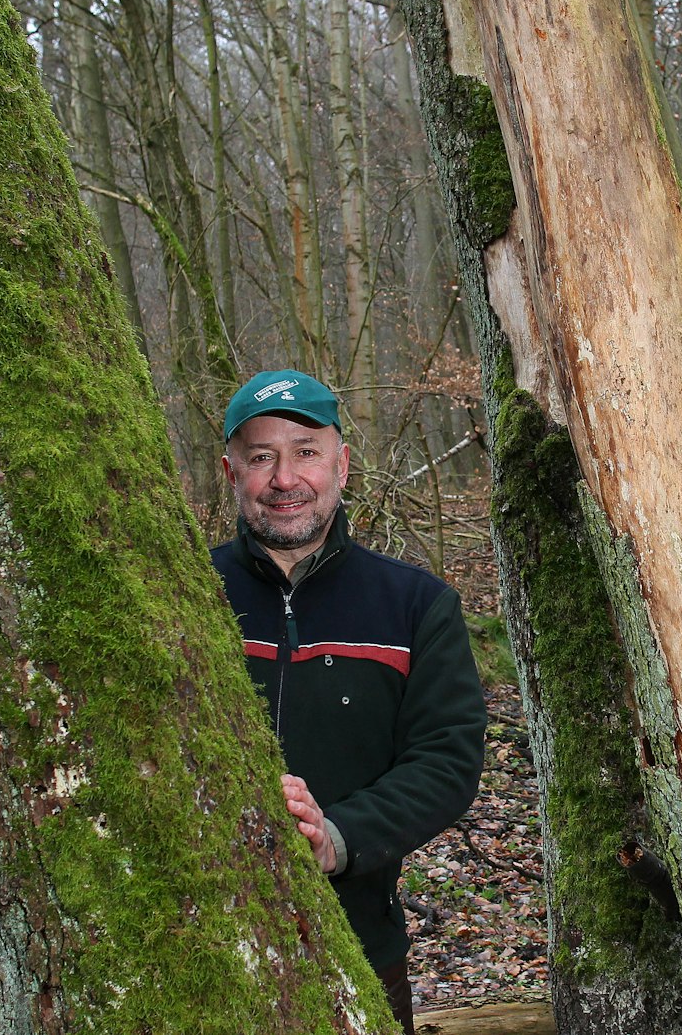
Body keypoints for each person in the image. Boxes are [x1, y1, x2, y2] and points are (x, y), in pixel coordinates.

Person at [210, 370, 485, 1034]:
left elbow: (446, 759)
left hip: (359, 943)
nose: (284, 479)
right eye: (261, 456)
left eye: (305, 451)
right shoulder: (185, 592)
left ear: (342, 463)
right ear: (231, 471)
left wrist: (334, 839)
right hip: (200, 947)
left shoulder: (416, 606)